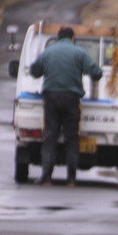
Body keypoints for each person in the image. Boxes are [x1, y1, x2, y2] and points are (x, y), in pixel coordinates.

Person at [30, 27, 103, 186]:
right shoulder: (79, 53)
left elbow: (34, 71)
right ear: (73, 38)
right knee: (71, 139)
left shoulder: (48, 53)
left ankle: (46, 178)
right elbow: (96, 72)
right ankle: (71, 179)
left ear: (57, 38)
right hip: (71, 99)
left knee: (50, 137)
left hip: (52, 98)